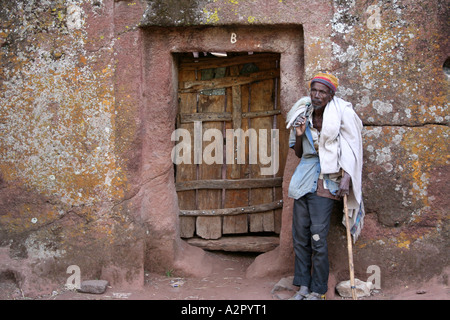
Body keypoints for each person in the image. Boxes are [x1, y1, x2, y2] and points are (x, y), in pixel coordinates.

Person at [286, 72, 364, 300]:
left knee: (318, 237)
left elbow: (352, 148)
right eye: (314, 90)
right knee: (300, 236)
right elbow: (299, 153)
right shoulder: (303, 114)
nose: (317, 95)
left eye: (322, 91)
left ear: (331, 94)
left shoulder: (342, 114)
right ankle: (302, 287)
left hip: (327, 182)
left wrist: (347, 179)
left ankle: (318, 290)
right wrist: (300, 134)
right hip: (303, 181)